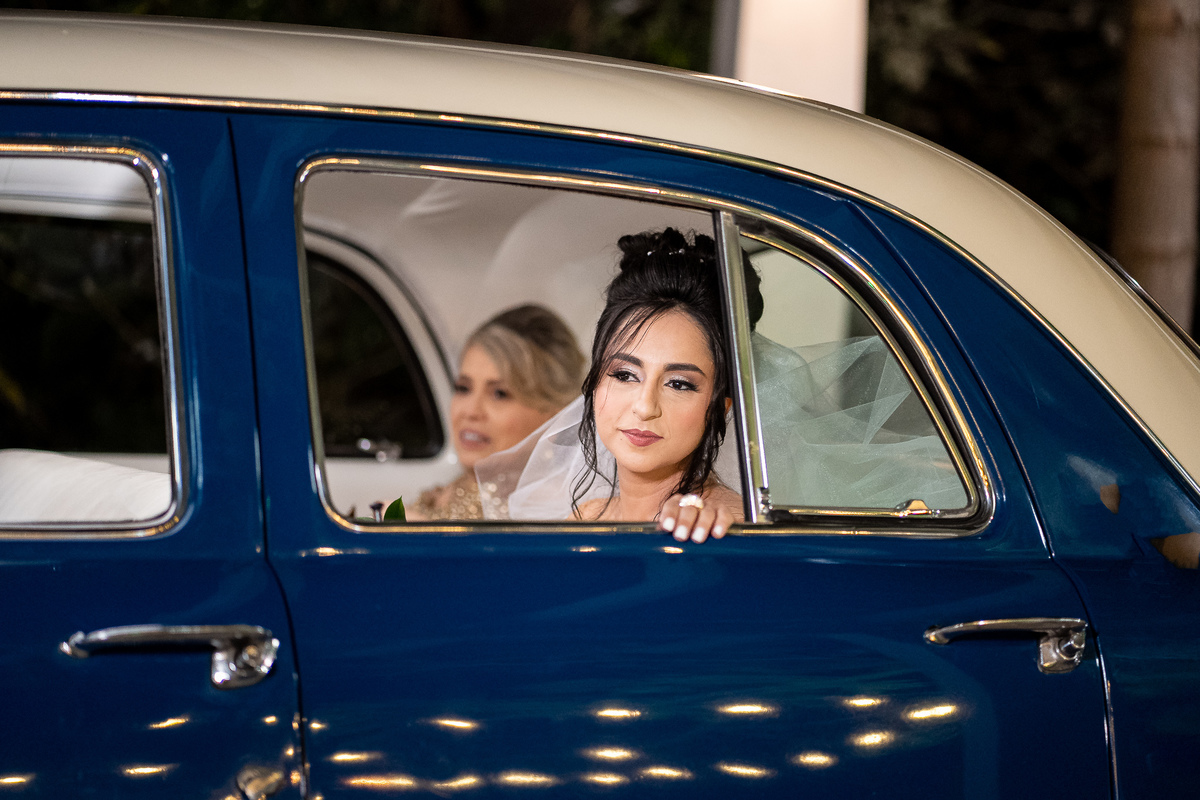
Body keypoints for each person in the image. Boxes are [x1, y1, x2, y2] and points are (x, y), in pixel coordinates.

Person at [569, 228, 755, 542]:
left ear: (720, 408)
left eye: (679, 384)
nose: (644, 407)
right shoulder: (587, 515)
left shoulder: (717, 525)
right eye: (625, 375)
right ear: (596, 381)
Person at [407, 304, 586, 520]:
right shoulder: (437, 497)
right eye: (464, 388)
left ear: (556, 416)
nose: (471, 411)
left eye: (499, 394)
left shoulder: (564, 514)